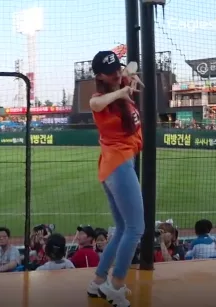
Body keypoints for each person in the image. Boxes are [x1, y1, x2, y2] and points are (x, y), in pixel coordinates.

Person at [84, 50, 145, 307]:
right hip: (118, 165)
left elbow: (130, 70)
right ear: (100, 76)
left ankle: (98, 282)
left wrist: (129, 76)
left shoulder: (120, 83)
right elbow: (94, 104)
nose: (117, 73)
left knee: (122, 229)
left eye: (117, 68)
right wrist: (121, 91)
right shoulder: (102, 98)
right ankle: (115, 285)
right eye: (111, 72)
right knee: (135, 229)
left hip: (115, 165)